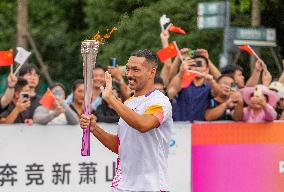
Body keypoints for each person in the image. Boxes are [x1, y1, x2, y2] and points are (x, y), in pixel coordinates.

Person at [80, 49, 173, 192]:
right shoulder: (128, 103)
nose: (129, 74)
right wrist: (94, 128)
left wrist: (111, 99)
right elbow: (120, 147)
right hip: (122, 185)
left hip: (150, 186)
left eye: (136, 70)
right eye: (128, 69)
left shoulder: (160, 102)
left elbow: (143, 125)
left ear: (151, 72)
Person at [167, 54, 220, 121]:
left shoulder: (210, 87)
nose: (197, 68)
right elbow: (170, 93)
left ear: (207, 70)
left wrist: (212, 82)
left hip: (200, 128)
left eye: (200, 65)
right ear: (189, 68)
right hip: (179, 127)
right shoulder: (182, 83)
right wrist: (181, 73)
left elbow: (219, 94)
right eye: (194, 65)